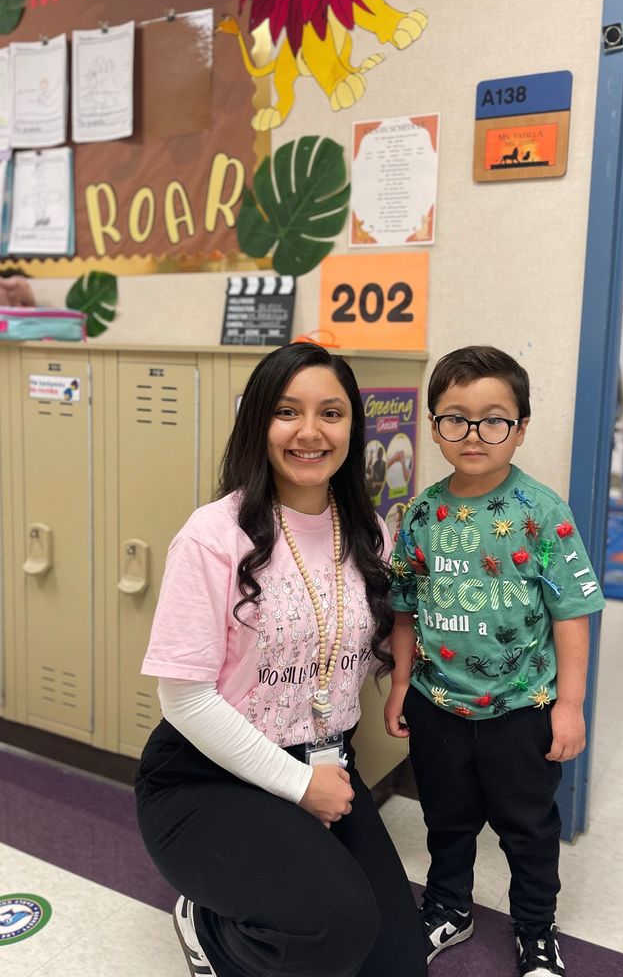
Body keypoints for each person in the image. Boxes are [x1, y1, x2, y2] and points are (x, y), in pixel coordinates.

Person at [135, 343, 427, 977]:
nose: (310, 432)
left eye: (331, 413)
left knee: (397, 965)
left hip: (325, 762)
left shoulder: (370, 533)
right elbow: (182, 698)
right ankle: (207, 926)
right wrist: (298, 787)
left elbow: (379, 637)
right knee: (334, 927)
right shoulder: (214, 534)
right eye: (287, 412)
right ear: (258, 423)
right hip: (209, 774)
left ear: (352, 427)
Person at [384, 346, 606, 977]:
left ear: (521, 427)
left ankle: (536, 928)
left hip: (522, 710)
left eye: (493, 420)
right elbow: (404, 608)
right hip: (437, 707)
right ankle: (448, 907)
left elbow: (572, 613)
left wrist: (569, 706)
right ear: (434, 426)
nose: (474, 434)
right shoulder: (421, 513)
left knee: (528, 830)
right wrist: (400, 684)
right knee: (445, 820)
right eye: (456, 418)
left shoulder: (542, 511)